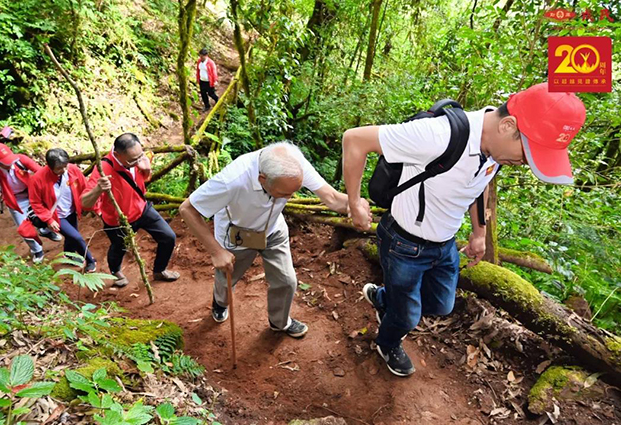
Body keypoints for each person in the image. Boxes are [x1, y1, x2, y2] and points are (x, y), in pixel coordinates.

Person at [342, 83, 586, 377]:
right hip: (404, 243)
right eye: (528, 153)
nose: (525, 163)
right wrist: (354, 202)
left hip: (444, 244)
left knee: (442, 304)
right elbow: (354, 140)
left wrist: (479, 231)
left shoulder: (495, 148)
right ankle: (387, 342)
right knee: (407, 315)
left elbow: (477, 184)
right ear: (508, 125)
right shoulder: (439, 135)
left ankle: (386, 299)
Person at [179, 142, 359, 338]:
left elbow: (331, 197)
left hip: (273, 229)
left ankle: (279, 322)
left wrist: (355, 205)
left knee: (287, 281)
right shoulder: (233, 180)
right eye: (284, 194)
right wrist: (216, 252)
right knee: (226, 280)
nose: (290, 198)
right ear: (262, 179)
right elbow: (187, 209)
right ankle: (220, 303)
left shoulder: (292, 163)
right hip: (238, 235)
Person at [81, 133, 180, 287]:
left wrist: (146, 170)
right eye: (132, 160)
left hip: (142, 208)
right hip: (118, 219)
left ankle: (159, 270)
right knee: (119, 247)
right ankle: (116, 272)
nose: (137, 161)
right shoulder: (104, 168)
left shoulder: (139, 158)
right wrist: (98, 189)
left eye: (139, 156)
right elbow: (85, 203)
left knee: (168, 237)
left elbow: (141, 182)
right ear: (117, 155)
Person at [19, 148, 97, 272]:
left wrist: (91, 205)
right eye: (59, 168)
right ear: (49, 167)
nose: (64, 170)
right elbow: (36, 203)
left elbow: (84, 187)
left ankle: (69, 254)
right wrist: (49, 220)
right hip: (57, 216)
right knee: (76, 237)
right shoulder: (38, 179)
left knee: (71, 235)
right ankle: (90, 260)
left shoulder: (73, 170)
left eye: (65, 166)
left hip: (71, 210)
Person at [0, 143, 59, 262]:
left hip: (32, 193)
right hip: (14, 200)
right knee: (24, 228)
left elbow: (40, 172)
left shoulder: (20, 160)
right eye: (5, 161)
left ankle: (45, 230)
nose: (9, 163)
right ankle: (37, 250)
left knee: (43, 213)